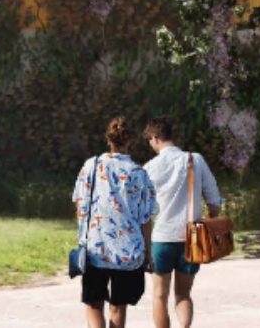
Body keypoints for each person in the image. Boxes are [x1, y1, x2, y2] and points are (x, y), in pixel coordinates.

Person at [72, 116, 156, 328]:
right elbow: (146, 218)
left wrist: (83, 233)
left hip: (95, 248)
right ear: (130, 140)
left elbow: (80, 203)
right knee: (118, 307)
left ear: (108, 138)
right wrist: (148, 254)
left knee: (93, 305)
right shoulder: (139, 173)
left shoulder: (91, 166)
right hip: (128, 250)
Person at [144, 117, 224, 328]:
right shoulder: (195, 160)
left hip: (162, 238)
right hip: (192, 238)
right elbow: (214, 199)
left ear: (155, 137)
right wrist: (212, 221)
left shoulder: (150, 167)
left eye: (150, 140)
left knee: (160, 296)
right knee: (183, 294)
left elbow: (142, 206)